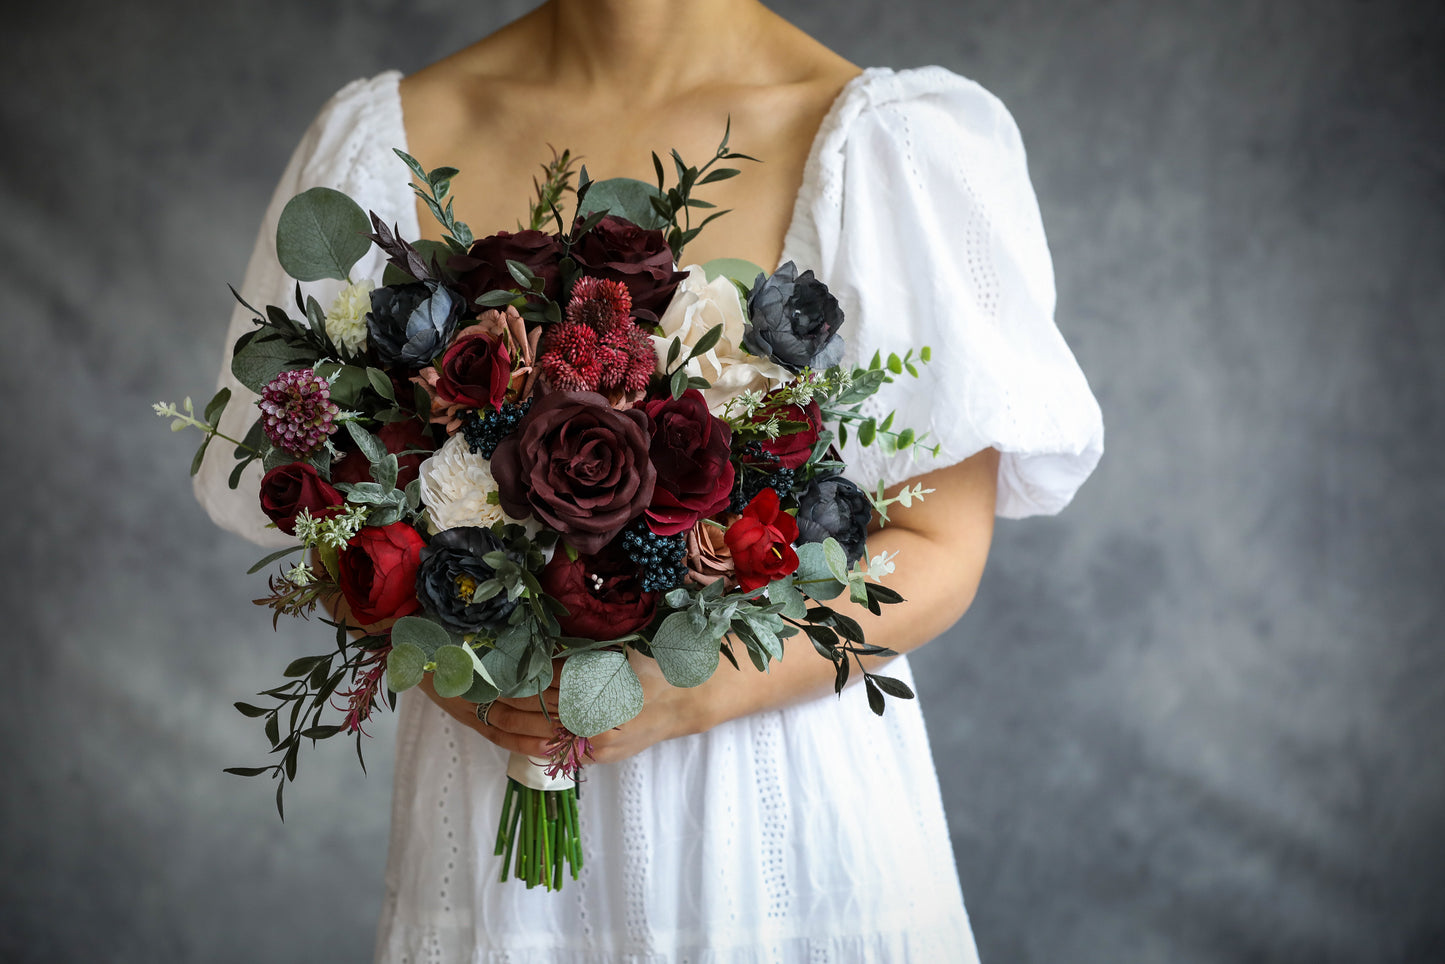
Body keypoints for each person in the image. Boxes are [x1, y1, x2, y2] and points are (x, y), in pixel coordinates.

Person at [193, 1, 1105, 959]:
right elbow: (330, 520)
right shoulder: (386, 138)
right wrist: (460, 663)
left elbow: (938, 550)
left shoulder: (887, 142)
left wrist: (691, 689)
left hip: (771, 821)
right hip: (493, 806)